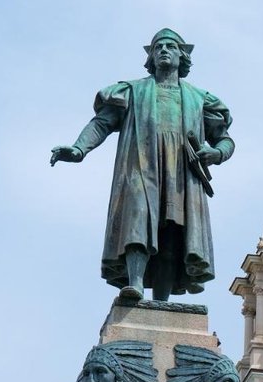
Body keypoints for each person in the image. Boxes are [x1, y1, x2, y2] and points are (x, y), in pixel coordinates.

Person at [52, 28, 235, 301]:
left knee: (173, 232)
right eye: (158, 47)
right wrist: (79, 149)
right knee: (138, 217)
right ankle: (135, 283)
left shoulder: (200, 98)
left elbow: (225, 139)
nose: (163, 50)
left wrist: (216, 153)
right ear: (150, 57)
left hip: (181, 173)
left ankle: (161, 302)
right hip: (141, 164)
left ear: (181, 56)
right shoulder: (132, 91)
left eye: (170, 46)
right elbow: (102, 122)